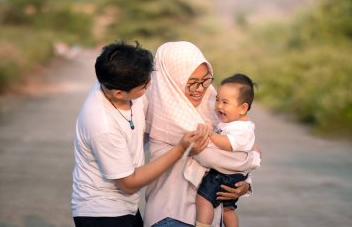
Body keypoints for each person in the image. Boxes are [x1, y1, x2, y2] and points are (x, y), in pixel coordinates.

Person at [71, 41, 210, 227]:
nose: (150, 85)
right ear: (120, 93)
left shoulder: (118, 79)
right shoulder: (101, 124)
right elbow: (129, 184)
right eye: (144, 86)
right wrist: (180, 149)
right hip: (102, 213)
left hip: (126, 208)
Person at [144, 41, 261, 227]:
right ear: (173, 80)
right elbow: (216, 157)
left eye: (206, 80)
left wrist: (245, 185)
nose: (200, 89)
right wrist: (252, 161)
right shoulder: (168, 115)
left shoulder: (211, 105)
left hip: (208, 216)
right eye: (191, 83)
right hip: (173, 215)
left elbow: (242, 143)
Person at [196, 74, 258, 227]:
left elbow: (229, 144)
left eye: (225, 102)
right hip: (234, 176)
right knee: (228, 209)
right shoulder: (235, 123)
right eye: (217, 100)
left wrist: (209, 134)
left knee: (204, 200)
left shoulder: (242, 128)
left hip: (224, 176)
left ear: (243, 108)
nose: (219, 106)